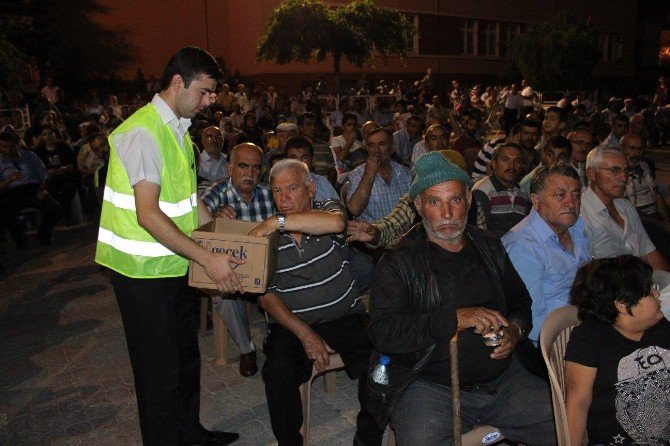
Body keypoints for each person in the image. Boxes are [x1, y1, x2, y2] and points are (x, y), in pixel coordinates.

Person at [94, 47, 242, 446]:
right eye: (206, 91)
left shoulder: (177, 129)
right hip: (141, 273)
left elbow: (186, 202)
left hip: (173, 266)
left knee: (184, 359)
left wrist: (217, 227)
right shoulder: (143, 132)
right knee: (158, 372)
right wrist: (207, 258)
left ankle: (188, 433)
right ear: (178, 82)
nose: (211, 100)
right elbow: (148, 214)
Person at [367, 152, 555, 445]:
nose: (447, 214)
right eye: (434, 202)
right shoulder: (398, 262)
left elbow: (521, 302)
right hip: (430, 385)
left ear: (469, 199)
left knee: (564, 421)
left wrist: (514, 332)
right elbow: (383, 333)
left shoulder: (490, 246)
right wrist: (453, 319)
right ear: (418, 206)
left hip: (504, 381)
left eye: (455, 200)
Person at [248, 159, 382, 446]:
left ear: (310, 189)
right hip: (295, 324)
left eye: (292, 188)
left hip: (345, 316)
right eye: (277, 191)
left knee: (385, 359)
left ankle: (368, 438)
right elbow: (266, 296)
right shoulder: (266, 236)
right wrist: (305, 334)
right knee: (277, 371)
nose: (283, 198)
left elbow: (336, 223)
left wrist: (277, 223)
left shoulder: (328, 210)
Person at [565, 255, 670, 445]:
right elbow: (577, 402)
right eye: (648, 292)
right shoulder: (589, 338)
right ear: (622, 304)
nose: (657, 295)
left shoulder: (660, 326)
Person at [200, 142, 274, 377]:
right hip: (233, 270)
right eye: (243, 166)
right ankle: (246, 348)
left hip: (266, 269)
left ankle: (276, 337)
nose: (249, 174)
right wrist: (214, 216)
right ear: (230, 167)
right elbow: (197, 228)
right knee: (223, 294)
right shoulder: (217, 192)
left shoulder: (270, 194)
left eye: (255, 167)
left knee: (287, 280)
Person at [503, 163, 590, 346]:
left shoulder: (577, 230)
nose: (570, 202)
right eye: (560, 195)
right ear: (536, 201)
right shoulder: (523, 246)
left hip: (588, 324)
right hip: (554, 344)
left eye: (576, 195)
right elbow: (533, 323)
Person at [580, 146, 670, 272]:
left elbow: (650, 253)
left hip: (643, 282)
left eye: (626, 171)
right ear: (591, 174)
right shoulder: (580, 214)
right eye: (615, 170)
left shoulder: (625, 206)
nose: (624, 178)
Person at [0, 129, 62, 247]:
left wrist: (43, 189)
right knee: (4, 212)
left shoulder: (29, 156)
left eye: (11, 146)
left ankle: (43, 234)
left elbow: (45, 176)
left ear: (18, 145)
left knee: (55, 209)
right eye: (3, 146)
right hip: (12, 192)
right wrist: (8, 180)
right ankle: (21, 239)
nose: (7, 150)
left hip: (33, 189)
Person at [346, 128, 412, 222]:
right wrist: (369, 174)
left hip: (402, 233)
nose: (376, 150)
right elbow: (355, 210)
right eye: (371, 145)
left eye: (381, 144)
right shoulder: (357, 174)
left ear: (392, 148)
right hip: (371, 233)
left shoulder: (406, 174)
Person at [469, 143, 530, 237]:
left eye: (517, 161)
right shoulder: (481, 191)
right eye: (506, 160)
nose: (511, 166)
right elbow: (479, 234)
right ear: (493, 163)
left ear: (522, 166)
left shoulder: (522, 192)